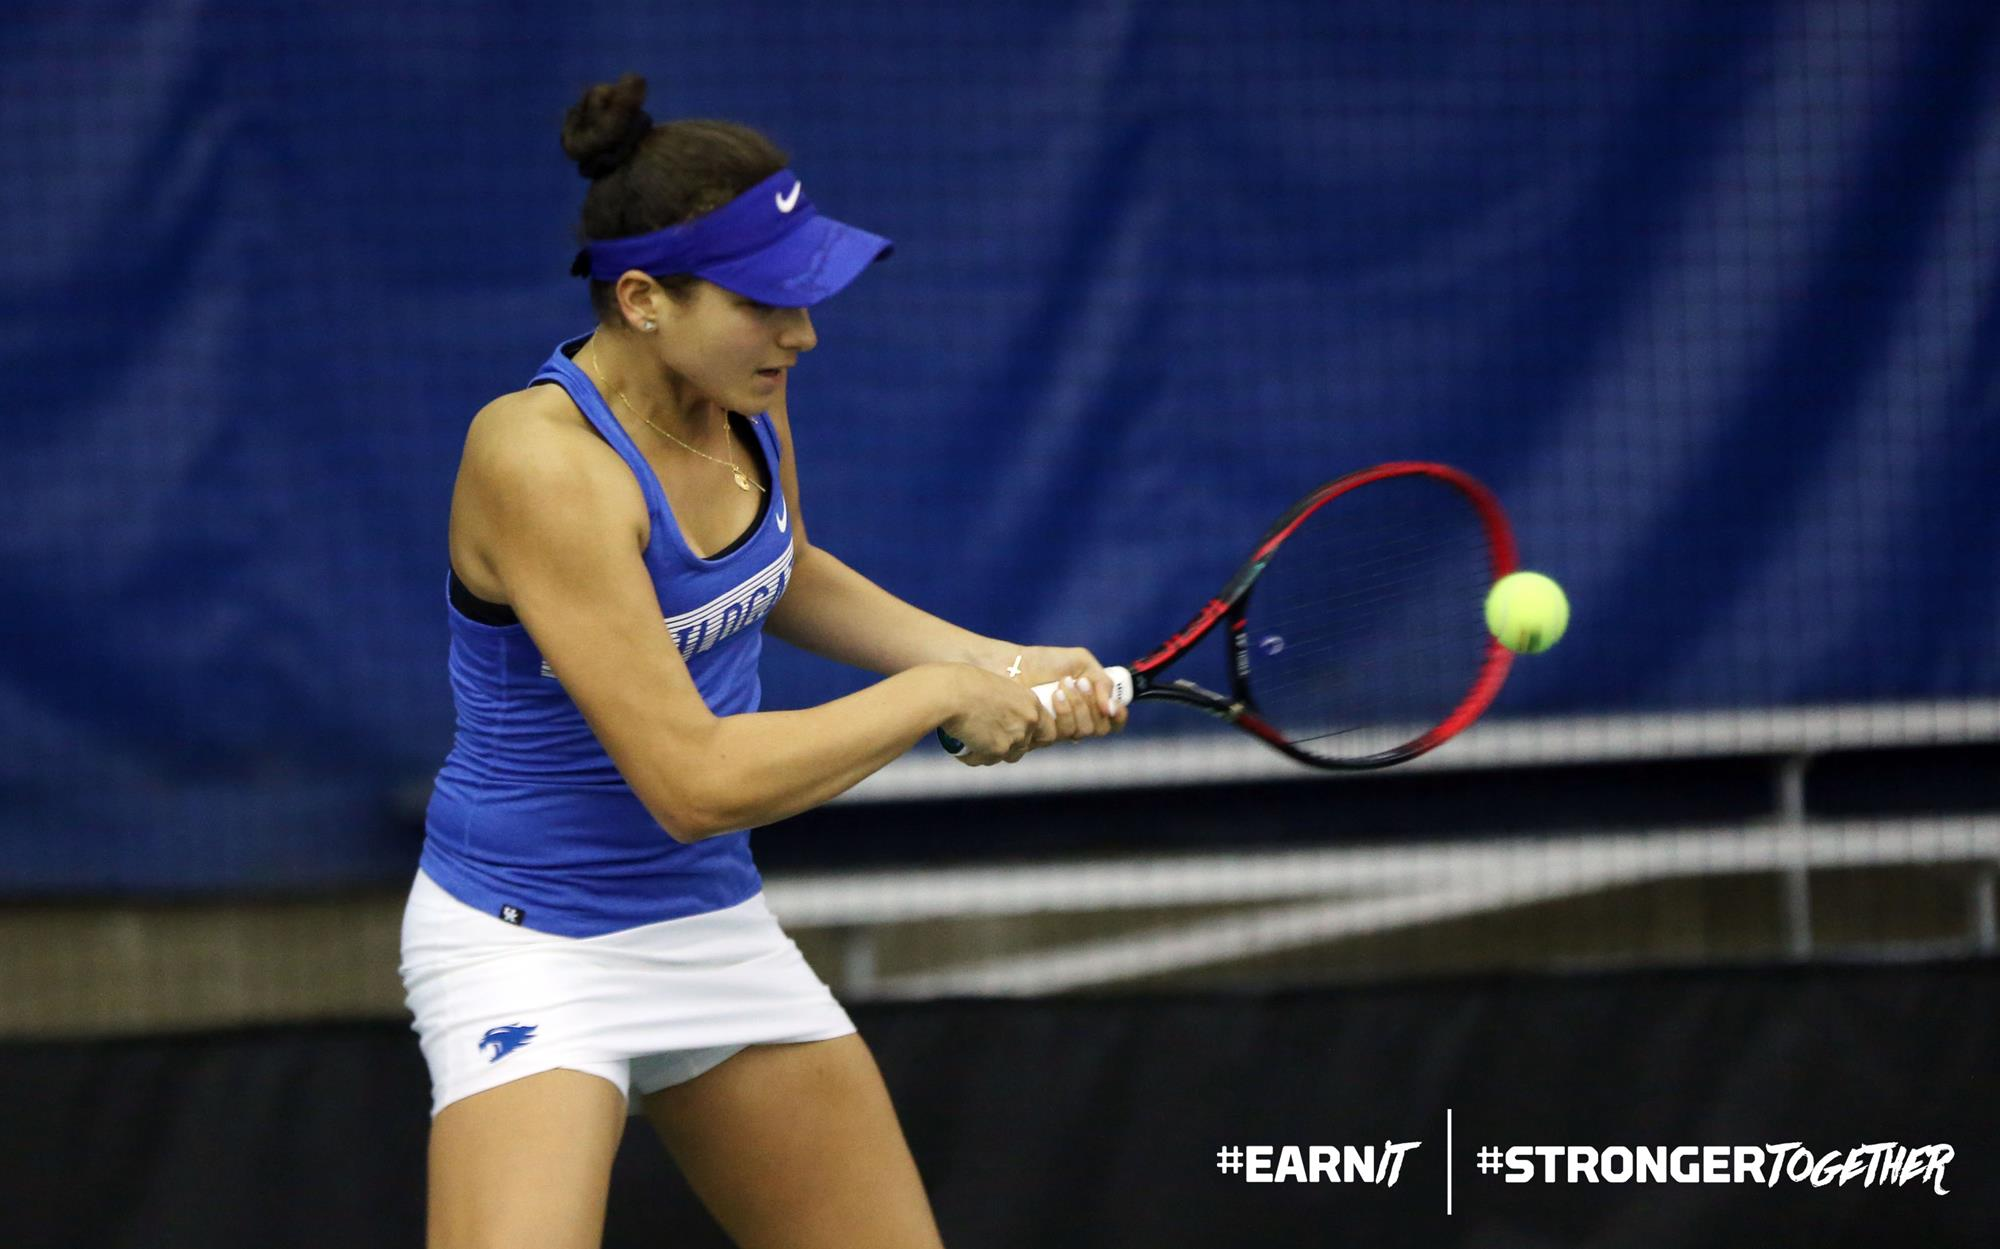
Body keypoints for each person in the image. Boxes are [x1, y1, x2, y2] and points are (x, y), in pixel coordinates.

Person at [397, 73, 1126, 1249]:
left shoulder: (736, 395)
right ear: (641, 299)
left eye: (806, 299)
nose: (803, 333)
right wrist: (939, 696)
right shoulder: (540, 463)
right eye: (765, 304)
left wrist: (998, 660)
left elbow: (778, 567)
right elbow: (693, 784)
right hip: (526, 942)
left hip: (707, 923)